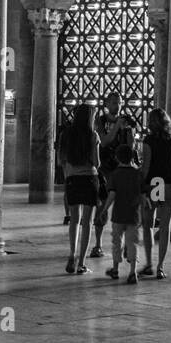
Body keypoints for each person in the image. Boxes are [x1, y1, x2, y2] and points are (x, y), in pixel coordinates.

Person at [90, 92, 139, 258]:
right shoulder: (100, 121)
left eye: (118, 102)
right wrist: (117, 126)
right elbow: (103, 141)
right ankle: (97, 244)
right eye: (113, 102)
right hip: (105, 168)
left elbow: (131, 146)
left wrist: (129, 133)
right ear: (106, 104)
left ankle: (125, 245)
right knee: (102, 205)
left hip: (122, 168)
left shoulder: (127, 120)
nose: (116, 105)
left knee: (123, 206)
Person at [142, 108, 171, 279]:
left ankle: (149, 263)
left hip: (154, 184)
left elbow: (146, 167)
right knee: (165, 227)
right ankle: (160, 266)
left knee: (148, 225)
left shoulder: (149, 140)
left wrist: (140, 186)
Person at [59, 103, 99, 274]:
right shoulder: (93, 135)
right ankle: (81, 262)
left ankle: (71, 254)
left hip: (72, 179)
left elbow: (61, 160)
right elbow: (97, 163)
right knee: (87, 222)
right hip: (89, 179)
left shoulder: (66, 134)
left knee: (74, 220)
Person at [101, 143, 145, 284]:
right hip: (134, 215)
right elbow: (142, 195)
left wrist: (104, 209)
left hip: (118, 215)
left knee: (116, 242)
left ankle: (115, 269)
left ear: (117, 158)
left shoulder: (115, 175)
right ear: (132, 157)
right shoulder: (138, 174)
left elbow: (112, 194)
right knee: (133, 243)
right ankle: (132, 272)